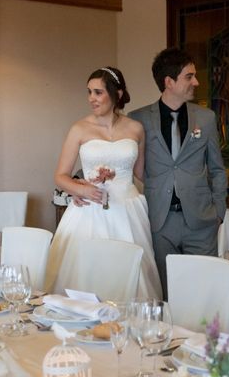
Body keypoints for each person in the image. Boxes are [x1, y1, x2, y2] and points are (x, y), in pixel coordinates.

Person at [45, 66, 162, 300]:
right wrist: (81, 189)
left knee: (128, 275)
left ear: (116, 94)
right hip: (89, 211)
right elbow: (60, 176)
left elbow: (141, 173)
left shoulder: (135, 128)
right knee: (87, 275)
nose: (91, 99)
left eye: (98, 92)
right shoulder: (79, 129)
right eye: (89, 92)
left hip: (127, 210)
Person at [129, 48, 227, 299]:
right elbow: (130, 164)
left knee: (203, 294)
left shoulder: (205, 118)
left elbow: (217, 168)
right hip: (159, 220)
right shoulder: (138, 119)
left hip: (201, 220)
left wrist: (218, 212)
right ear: (169, 82)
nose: (196, 82)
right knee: (165, 293)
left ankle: (203, 339)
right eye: (189, 76)